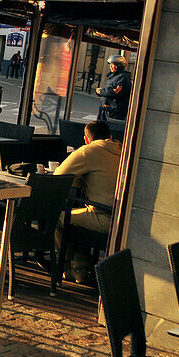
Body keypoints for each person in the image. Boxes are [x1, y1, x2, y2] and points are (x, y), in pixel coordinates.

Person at [54, 120, 122, 282]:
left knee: (58, 217)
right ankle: (80, 268)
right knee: (79, 215)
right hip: (123, 218)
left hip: (105, 218)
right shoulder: (122, 149)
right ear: (110, 136)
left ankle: (69, 267)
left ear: (86, 139)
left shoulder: (89, 151)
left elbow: (59, 176)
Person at [97, 54, 131, 120]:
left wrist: (101, 91)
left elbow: (116, 91)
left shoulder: (123, 77)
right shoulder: (115, 76)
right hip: (107, 109)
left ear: (119, 66)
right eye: (111, 65)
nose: (111, 67)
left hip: (114, 111)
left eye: (113, 65)